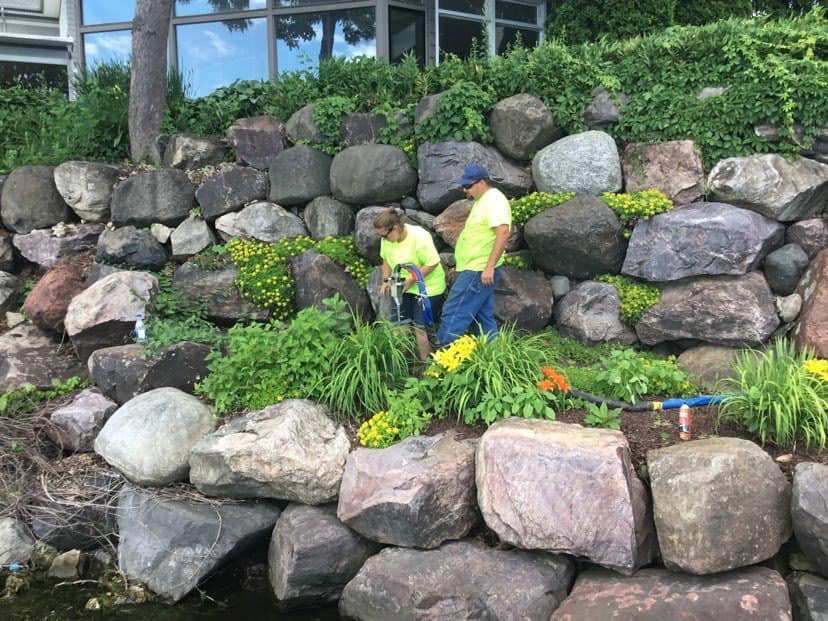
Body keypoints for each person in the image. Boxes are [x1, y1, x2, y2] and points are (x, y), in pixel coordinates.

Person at [437, 162, 511, 347]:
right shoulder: (483, 200)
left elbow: (503, 232)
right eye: (464, 186)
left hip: (478, 269)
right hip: (476, 268)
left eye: (468, 186)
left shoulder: (494, 200)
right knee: (482, 315)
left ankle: (440, 362)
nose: (465, 190)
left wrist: (489, 267)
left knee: (454, 312)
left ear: (482, 182)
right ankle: (495, 358)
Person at [374, 207, 446, 361]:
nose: (383, 239)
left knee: (420, 328)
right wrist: (386, 280)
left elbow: (432, 263)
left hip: (427, 287)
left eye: (384, 236)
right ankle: (401, 363)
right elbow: (385, 259)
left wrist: (411, 280)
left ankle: (425, 365)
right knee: (399, 324)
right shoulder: (386, 239)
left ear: (395, 228)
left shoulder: (419, 237)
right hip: (402, 285)